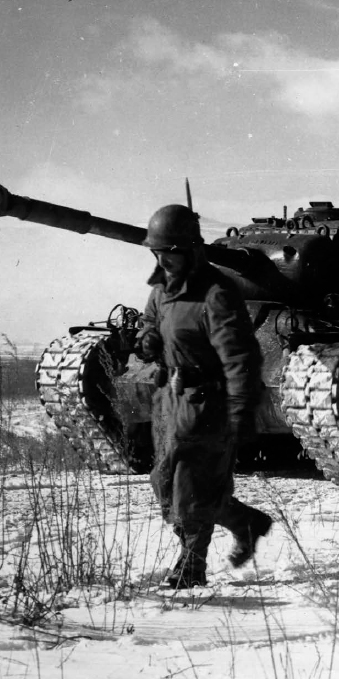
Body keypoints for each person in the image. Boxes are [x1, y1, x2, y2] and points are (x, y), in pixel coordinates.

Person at [137, 203, 272, 589]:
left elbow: (240, 357)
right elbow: (151, 321)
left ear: (191, 249)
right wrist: (148, 338)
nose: (163, 260)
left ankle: (191, 566)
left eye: (170, 252)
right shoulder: (162, 289)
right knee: (165, 483)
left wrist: (242, 412)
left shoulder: (216, 294)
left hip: (207, 404)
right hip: (171, 400)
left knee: (190, 490)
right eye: (157, 252)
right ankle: (247, 522)